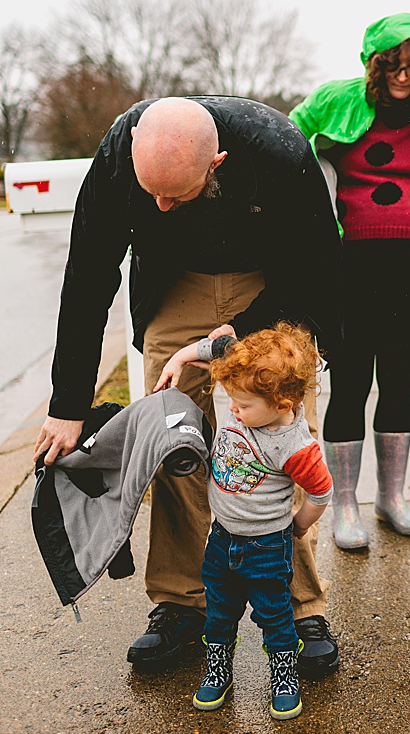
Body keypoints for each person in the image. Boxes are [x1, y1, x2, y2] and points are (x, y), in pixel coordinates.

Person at [34, 96, 343, 678]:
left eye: (175, 194)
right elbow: (87, 276)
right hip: (176, 286)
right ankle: (181, 604)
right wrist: (67, 405)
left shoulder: (279, 152)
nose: (159, 205)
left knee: (283, 442)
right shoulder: (119, 158)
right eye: (150, 192)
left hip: (269, 287)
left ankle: (301, 606)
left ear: (218, 163)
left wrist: (231, 337)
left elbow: (317, 273)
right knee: (168, 441)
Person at [289, 13, 410, 550]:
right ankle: (344, 504)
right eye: (394, 63)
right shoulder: (337, 99)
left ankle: (392, 499)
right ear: (374, 63)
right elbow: (288, 141)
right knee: (350, 380)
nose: (404, 75)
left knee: (400, 379)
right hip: (350, 262)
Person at [157, 324, 332, 719]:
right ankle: (219, 668)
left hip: (267, 546)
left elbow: (321, 492)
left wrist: (299, 525)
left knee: (275, 615)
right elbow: (219, 346)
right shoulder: (250, 382)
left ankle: (284, 674)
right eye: (231, 402)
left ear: (284, 403)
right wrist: (182, 357)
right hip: (221, 539)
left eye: (243, 406)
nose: (233, 411)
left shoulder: (294, 446)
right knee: (219, 612)